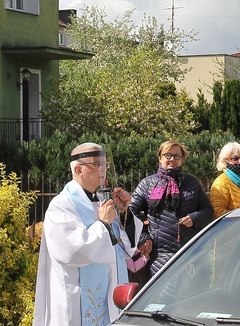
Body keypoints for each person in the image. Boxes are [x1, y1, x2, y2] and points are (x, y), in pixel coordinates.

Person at [33, 142, 131, 326]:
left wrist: (124, 212)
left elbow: (124, 248)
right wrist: (102, 223)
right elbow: (73, 251)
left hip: (111, 295)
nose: (103, 169)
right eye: (97, 164)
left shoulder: (102, 201)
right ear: (78, 169)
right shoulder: (62, 205)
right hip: (77, 301)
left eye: (105, 164)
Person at [129, 140, 213, 275]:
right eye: (167, 155)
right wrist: (144, 237)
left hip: (190, 252)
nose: (172, 159)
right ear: (160, 158)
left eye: (176, 156)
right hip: (159, 255)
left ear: (182, 159)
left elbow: (208, 210)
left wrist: (194, 218)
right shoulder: (147, 184)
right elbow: (131, 212)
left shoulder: (192, 183)